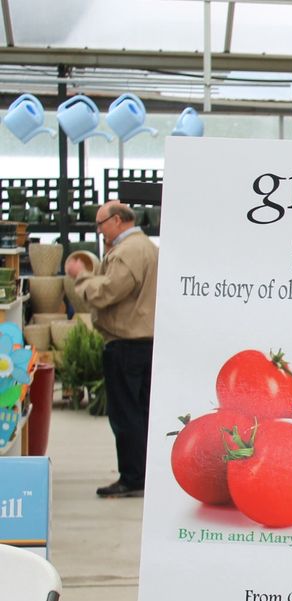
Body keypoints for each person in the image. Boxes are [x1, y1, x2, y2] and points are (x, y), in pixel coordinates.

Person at [65, 200, 159, 498]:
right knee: (141, 412)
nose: (99, 230)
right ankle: (143, 474)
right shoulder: (147, 247)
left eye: (101, 223)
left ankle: (133, 478)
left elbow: (109, 291)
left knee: (126, 414)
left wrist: (81, 277)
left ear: (117, 220)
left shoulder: (130, 251)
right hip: (145, 343)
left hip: (126, 344)